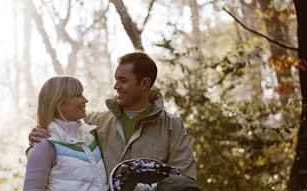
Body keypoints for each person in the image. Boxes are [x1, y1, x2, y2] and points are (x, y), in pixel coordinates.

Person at [28, 51, 197, 180]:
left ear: (144, 84)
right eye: (115, 79)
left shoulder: (171, 126)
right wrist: (36, 137)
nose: (116, 86)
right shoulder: (93, 122)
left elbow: (184, 179)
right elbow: (60, 145)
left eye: (123, 80)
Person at [22, 75, 134, 191]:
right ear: (60, 103)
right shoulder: (44, 145)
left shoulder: (91, 137)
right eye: (78, 95)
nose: (85, 100)